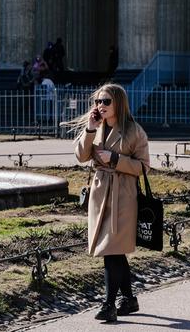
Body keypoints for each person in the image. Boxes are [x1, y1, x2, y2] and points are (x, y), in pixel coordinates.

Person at [72, 83, 149, 322]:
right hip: (99, 194)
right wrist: (90, 129)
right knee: (113, 250)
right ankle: (128, 299)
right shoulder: (96, 128)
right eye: (98, 101)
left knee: (111, 250)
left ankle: (109, 305)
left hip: (123, 197)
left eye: (106, 101)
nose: (100, 106)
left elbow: (143, 167)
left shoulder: (134, 131)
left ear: (118, 103)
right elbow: (81, 156)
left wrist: (116, 159)